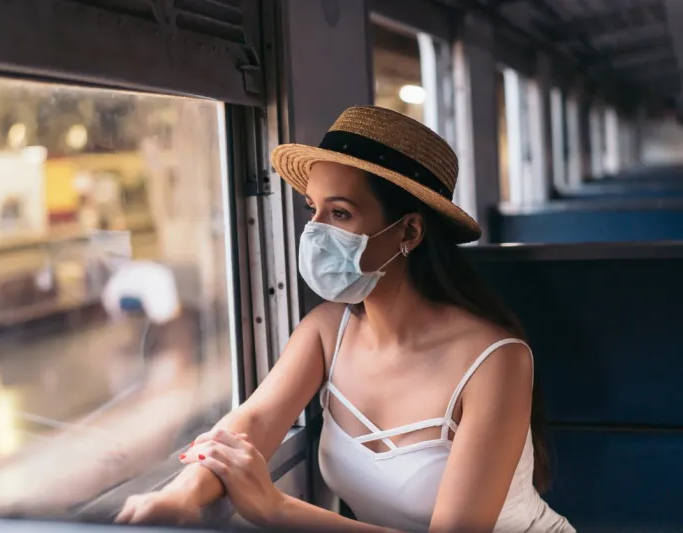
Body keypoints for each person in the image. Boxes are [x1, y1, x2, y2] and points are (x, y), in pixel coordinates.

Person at [115, 106, 575, 532]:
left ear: (409, 231)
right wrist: (180, 495)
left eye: (339, 213)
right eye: (311, 211)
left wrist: (277, 508)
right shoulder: (325, 330)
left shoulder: (497, 362)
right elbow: (252, 422)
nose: (315, 232)